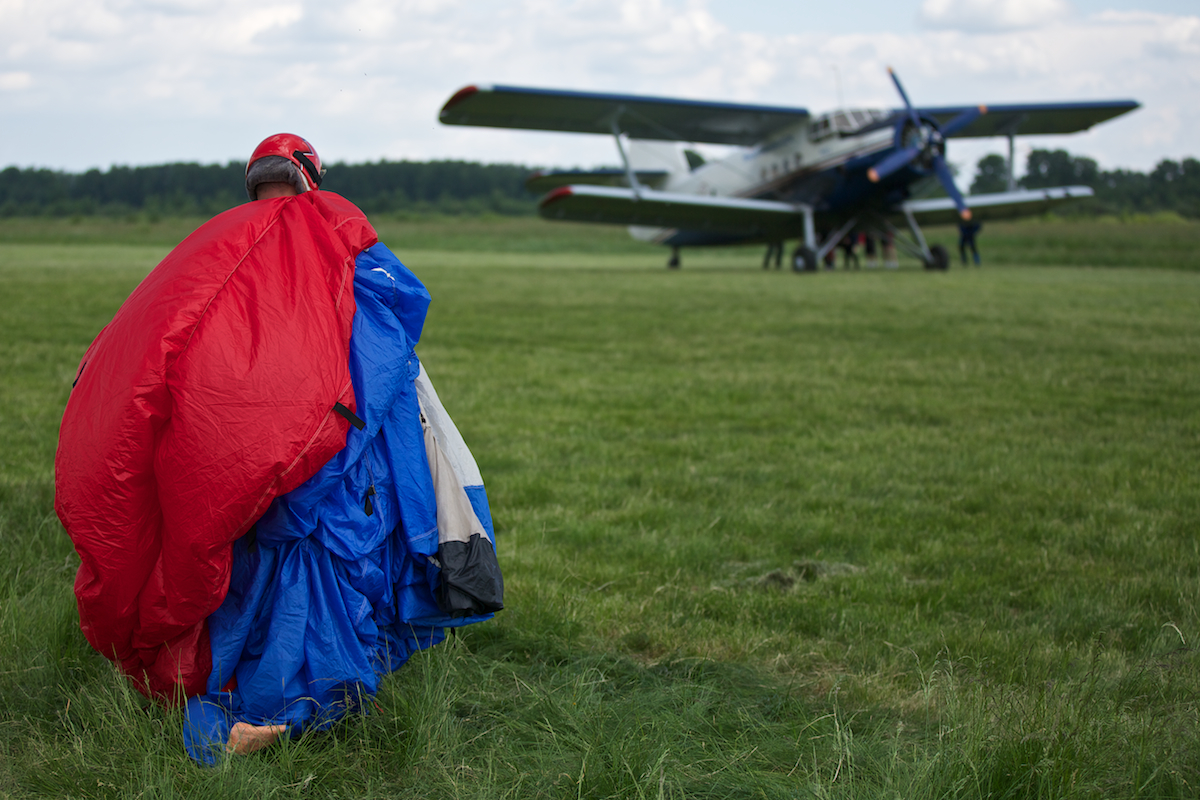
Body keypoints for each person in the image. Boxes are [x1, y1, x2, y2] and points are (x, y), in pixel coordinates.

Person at [55, 134, 503, 764]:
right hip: (327, 465)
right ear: (310, 177)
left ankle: (284, 692)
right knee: (328, 572)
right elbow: (386, 348)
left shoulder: (226, 253)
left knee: (284, 577)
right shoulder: (315, 242)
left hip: (285, 467)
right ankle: (293, 709)